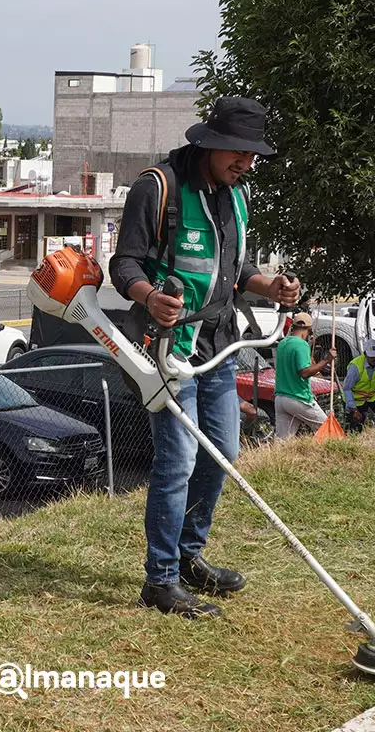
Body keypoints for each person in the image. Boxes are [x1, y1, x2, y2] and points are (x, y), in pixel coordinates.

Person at [110, 95, 301, 620]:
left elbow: (237, 275)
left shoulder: (236, 196)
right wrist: (151, 296)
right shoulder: (159, 187)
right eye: (239, 152)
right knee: (177, 462)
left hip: (220, 347)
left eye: (253, 154)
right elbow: (122, 264)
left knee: (223, 454)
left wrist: (272, 287)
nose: (247, 162)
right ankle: (161, 580)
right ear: (211, 143)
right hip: (167, 350)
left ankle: (190, 557)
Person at [272, 313, 336, 438]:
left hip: (280, 398)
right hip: (297, 398)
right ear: (309, 330)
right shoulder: (301, 345)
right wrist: (326, 360)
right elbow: (304, 372)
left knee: (282, 443)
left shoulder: (283, 343)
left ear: (292, 326)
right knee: (329, 432)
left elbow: (291, 372)